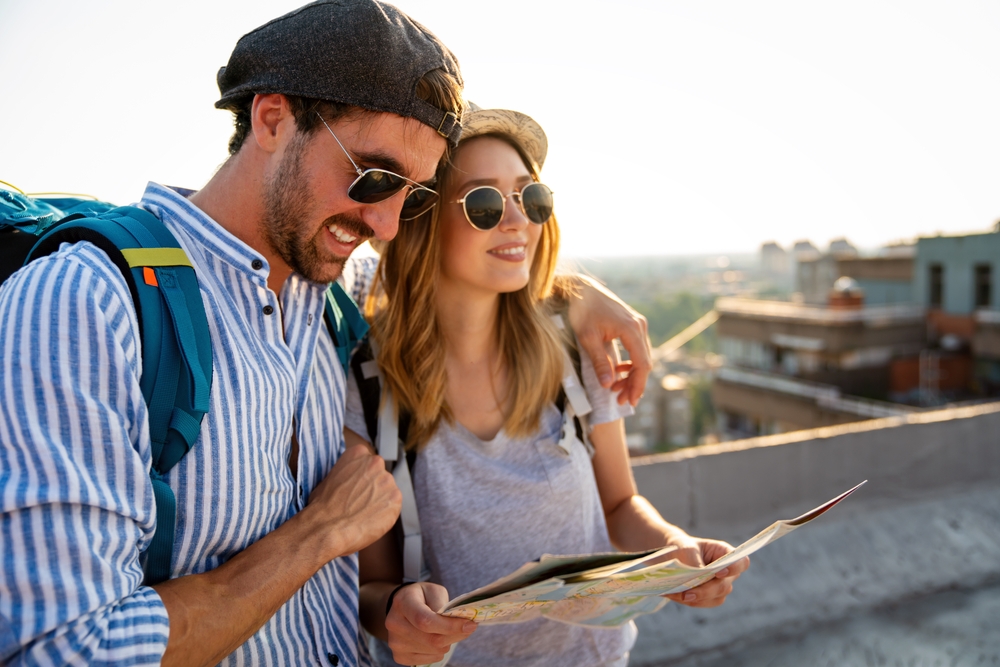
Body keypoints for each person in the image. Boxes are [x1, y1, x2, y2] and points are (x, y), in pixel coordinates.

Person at [0, 2, 653, 666]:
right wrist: (321, 531)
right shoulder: (89, 303)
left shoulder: (327, 295)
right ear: (273, 118)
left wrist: (573, 292)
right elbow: (67, 650)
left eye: (417, 197)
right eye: (376, 177)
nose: (389, 224)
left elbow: (449, 280)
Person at [347, 105, 750, 667]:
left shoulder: (573, 354)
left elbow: (619, 501)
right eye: (485, 203)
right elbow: (375, 582)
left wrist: (672, 547)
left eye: (530, 197)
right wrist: (395, 613)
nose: (519, 221)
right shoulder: (368, 385)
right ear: (421, 221)